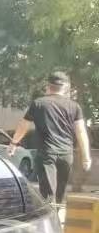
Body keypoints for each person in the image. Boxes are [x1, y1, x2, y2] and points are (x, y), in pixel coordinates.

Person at [9, 72, 91, 217]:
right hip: (66, 155)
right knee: (60, 191)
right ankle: (55, 218)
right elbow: (81, 132)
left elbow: (23, 125)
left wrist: (13, 143)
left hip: (47, 154)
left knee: (48, 193)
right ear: (65, 87)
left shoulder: (39, 103)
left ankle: (49, 221)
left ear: (48, 86)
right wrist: (86, 157)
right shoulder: (74, 106)